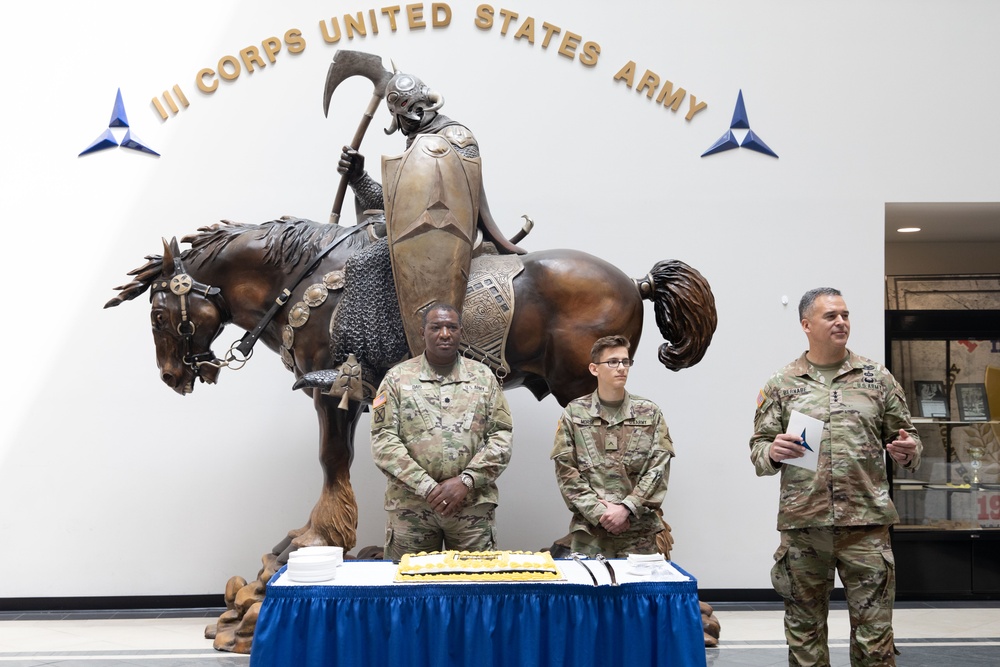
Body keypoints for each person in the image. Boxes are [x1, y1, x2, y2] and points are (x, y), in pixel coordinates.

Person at [750, 287, 922, 666]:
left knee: (875, 641)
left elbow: (907, 439)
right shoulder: (781, 384)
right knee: (805, 639)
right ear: (806, 325)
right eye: (831, 316)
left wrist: (909, 451)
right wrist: (773, 452)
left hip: (866, 527)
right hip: (804, 528)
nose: (841, 321)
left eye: (845, 314)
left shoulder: (877, 379)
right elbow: (759, 450)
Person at [370, 303, 513, 561]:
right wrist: (427, 487)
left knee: (475, 590)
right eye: (436, 327)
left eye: (452, 327)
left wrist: (465, 481)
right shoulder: (396, 379)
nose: (444, 334)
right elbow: (384, 442)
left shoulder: (484, 377)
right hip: (412, 510)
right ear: (422, 332)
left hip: (471, 508)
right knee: (411, 593)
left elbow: (501, 438)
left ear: (460, 332)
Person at [550, 334, 674, 557]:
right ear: (594, 369)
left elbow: (658, 469)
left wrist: (626, 508)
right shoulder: (575, 413)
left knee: (640, 592)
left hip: (639, 534)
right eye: (613, 362)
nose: (621, 368)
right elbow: (566, 472)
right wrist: (600, 513)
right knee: (591, 591)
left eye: (626, 362)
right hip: (591, 531)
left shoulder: (649, 412)